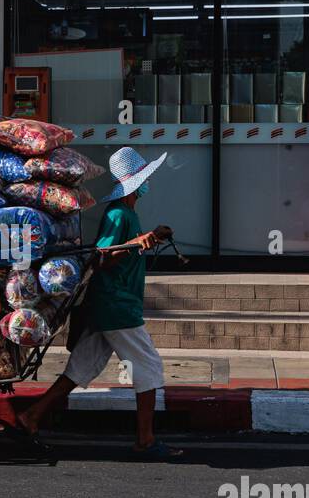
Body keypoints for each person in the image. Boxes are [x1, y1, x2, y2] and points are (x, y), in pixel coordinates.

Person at [15, 146, 183, 460]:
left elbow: (123, 248)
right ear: (137, 182)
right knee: (148, 366)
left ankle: (32, 416)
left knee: (82, 367)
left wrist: (150, 237)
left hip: (111, 303)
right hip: (115, 304)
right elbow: (103, 257)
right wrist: (136, 242)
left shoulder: (128, 213)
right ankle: (145, 440)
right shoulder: (120, 214)